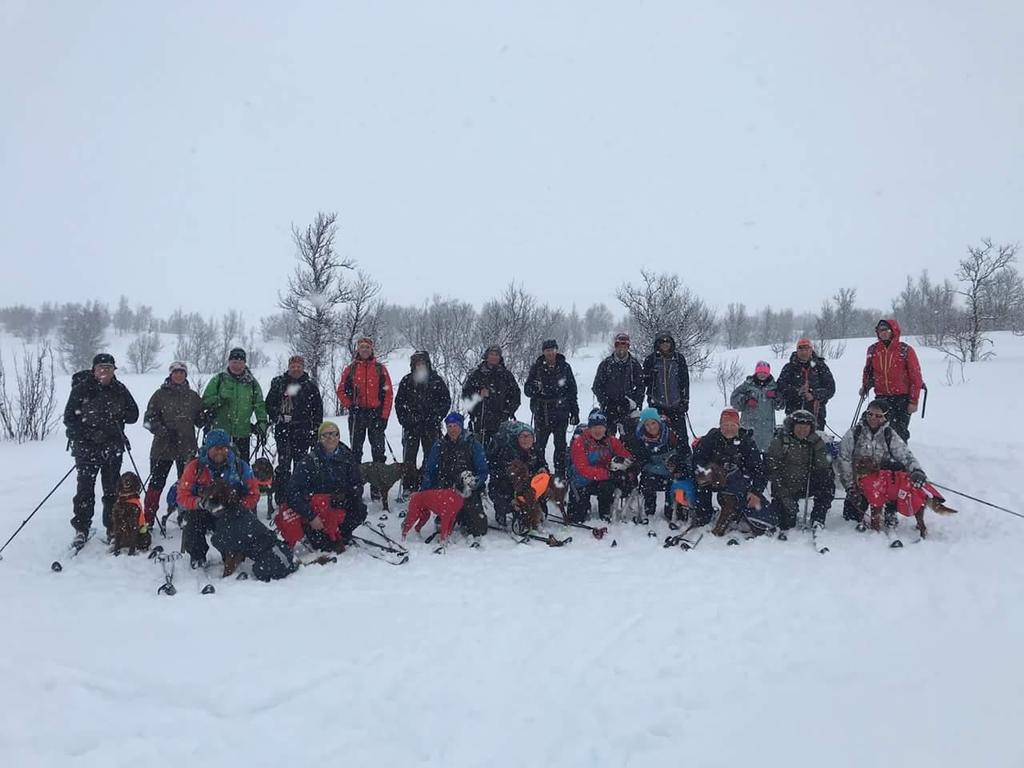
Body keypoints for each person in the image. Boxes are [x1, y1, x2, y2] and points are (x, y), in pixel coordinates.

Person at [63, 353, 139, 546]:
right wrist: (87, 434)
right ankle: (81, 529)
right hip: (86, 450)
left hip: (113, 449)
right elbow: (69, 419)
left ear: (114, 370)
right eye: (101, 368)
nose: (104, 372)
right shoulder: (81, 389)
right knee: (85, 491)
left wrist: (119, 414)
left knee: (112, 491)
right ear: (93, 370)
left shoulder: (120, 390)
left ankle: (111, 527)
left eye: (109, 368)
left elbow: (134, 415)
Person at [836, 399, 927, 530]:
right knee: (850, 518)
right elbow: (843, 459)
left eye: (878, 416)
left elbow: (905, 455)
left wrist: (916, 470)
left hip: (883, 483)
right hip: (859, 483)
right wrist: (850, 487)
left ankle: (890, 509)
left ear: (885, 417)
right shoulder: (854, 433)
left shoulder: (889, 434)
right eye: (870, 414)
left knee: (897, 468)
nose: (873, 418)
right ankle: (860, 506)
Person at [177, 429, 260, 567]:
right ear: (208, 448)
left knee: (235, 531)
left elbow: (254, 494)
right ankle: (198, 556)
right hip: (203, 512)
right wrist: (201, 503)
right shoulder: (195, 468)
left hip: (231, 513)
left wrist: (239, 507)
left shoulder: (240, 467)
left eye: (224, 448)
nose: (220, 452)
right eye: (216, 448)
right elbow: (182, 495)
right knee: (192, 521)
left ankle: (231, 555)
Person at [286, 421, 368, 552]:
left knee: (359, 509)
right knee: (324, 546)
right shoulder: (309, 461)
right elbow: (293, 493)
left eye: (335, 434)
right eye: (326, 435)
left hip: (338, 506)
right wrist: (310, 516)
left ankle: (341, 532)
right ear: (320, 438)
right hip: (317, 510)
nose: (331, 438)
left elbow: (357, 482)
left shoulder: (347, 456)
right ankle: (318, 533)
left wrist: (349, 495)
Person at [691, 408, 772, 535]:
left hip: (738, 480)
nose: (729, 429)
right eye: (725, 425)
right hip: (714, 477)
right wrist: (706, 472)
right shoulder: (711, 438)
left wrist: (756, 492)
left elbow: (759, 470)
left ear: (738, 426)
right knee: (701, 484)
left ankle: (735, 511)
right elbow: (697, 459)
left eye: (732, 425)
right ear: (720, 426)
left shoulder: (746, 442)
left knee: (757, 508)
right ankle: (704, 514)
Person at [142, 361, 203, 524]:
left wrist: (208, 414)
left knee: (186, 485)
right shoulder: (159, 395)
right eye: (176, 372)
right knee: (156, 483)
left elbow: (199, 421)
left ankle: (185, 515)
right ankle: (148, 518)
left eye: (182, 372)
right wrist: (161, 430)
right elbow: (148, 419)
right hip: (163, 447)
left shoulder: (193, 396)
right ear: (170, 374)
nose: (179, 375)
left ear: (186, 375)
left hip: (186, 447)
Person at [265, 355, 323, 503]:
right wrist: (277, 416)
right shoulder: (279, 383)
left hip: (303, 431)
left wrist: (315, 431)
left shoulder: (310, 385)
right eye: (293, 366)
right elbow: (269, 404)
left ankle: (299, 497)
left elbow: (318, 410)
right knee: (283, 465)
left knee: (301, 466)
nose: (296, 369)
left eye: (299, 366)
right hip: (283, 430)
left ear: (303, 367)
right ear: (289, 367)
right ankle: (282, 498)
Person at [421, 413, 489, 540]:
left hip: (468, 490)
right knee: (443, 527)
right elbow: (430, 470)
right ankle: (455, 515)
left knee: (479, 529)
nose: (452, 429)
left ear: (461, 426)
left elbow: (483, 470)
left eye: (455, 426)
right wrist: (425, 492)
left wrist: (475, 482)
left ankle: (465, 514)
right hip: (447, 491)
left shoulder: (473, 444)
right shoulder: (439, 445)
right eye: (449, 426)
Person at [766, 409, 834, 533]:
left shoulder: (815, 442)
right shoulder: (780, 442)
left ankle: (818, 518)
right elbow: (772, 470)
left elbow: (823, 466)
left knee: (827, 483)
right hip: (785, 486)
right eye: (799, 427)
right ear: (792, 426)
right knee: (786, 522)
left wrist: (818, 447)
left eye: (806, 427)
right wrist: (784, 495)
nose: (802, 430)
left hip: (806, 484)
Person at [859, 318, 924, 442]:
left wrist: (913, 401)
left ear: (893, 330)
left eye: (885, 330)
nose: (882, 332)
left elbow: (916, 377)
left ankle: (900, 457)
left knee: (899, 432)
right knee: (876, 428)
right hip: (882, 396)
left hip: (902, 398)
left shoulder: (905, 350)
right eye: (879, 330)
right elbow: (868, 371)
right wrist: (865, 386)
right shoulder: (873, 350)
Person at [337, 337, 394, 475]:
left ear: (371, 349)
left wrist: (384, 416)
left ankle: (378, 484)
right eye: (362, 347)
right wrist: (350, 405)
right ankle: (356, 485)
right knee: (355, 451)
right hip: (357, 414)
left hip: (376, 414)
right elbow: (340, 391)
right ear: (358, 349)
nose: (364, 349)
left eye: (367, 347)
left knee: (378, 451)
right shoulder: (351, 369)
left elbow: (388, 394)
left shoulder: (380, 369)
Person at [523, 339, 579, 478]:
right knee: (539, 446)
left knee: (560, 446)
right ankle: (541, 473)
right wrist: (534, 388)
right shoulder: (536, 367)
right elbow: (527, 390)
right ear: (543, 352)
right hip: (542, 412)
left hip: (561, 411)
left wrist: (575, 411)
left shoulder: (565, 367)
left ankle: (560, 476)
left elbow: (572, 390)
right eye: (547, 350)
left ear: (557, 350)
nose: (550, 353)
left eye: (552, 350)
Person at [201, 347, 268, 463]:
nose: (237, 366)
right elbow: (205, 402)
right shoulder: (219, 379)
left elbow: (259, 404)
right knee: (217, 466)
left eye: (240, 362)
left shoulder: (252, 383)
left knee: (241, 467)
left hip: (242, 433)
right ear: (229, 362)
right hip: (219, 433)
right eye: (234, 362)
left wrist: (262, 422)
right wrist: (220, 399)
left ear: (245, 364)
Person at [394, 350, 451, 483]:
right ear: (413, 365)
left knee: (431, 455)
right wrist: (405, 419)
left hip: (431, 424)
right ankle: (409, 484)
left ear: (427, 364)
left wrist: (436, 416)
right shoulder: (407, 380)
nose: (420, 365)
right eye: (417, 363)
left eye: (422, 363)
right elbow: (399, 403)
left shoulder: (436, 380)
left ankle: (428, 481)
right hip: (411, 425)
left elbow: (445, 401)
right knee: (409, 457)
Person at [627, 408, 693, 522]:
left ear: (659, 422)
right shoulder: (640, 440)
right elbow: (641, 462)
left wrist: (679, 465)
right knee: (647, 480)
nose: (651, 427)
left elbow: (686, 453)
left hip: (674, 473)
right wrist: (661, 468)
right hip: (654, 472)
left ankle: (674, 508)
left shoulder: (672, 434)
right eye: (647, 424)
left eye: (653, 423)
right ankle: (649, 510)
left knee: (677, 485)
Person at [567, 411, 634, 523]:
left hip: (602, 481)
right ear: (589, 428)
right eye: (594, 427)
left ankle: (605, 511)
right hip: (581, 481)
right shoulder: (580, 442)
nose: (598, 430)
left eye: (600, 427)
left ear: (605, 428)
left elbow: (626, 456)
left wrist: (628, 468)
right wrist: (607, 474)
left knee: (607, 487)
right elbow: (582, 469)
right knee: (577, 518)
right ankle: (581, 507)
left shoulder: (611, 441)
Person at [488, 422, 550, 528]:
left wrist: (543, 469)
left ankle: (531, 508)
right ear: (518, 438)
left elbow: (543, 464)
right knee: (509, 503)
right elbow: (499, 478)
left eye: (528, 436)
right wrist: (511, 500)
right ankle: (505, 511)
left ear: (533, 438)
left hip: (528, 487)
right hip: (507, 487)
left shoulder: (536, 451)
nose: (525, 439)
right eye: (522, 436)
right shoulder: (508, 453)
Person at [461, 345, 521, 447]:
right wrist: (478, 396)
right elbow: (466, 396)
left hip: (501, 420)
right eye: (491, 354)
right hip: (480, 420)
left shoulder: (506, 375)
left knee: (500, 449)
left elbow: (515, 395)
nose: (494, 357)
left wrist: (508, 411)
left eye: (496, 355)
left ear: (500, 357)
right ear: (486, 356)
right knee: (479, 450)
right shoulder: (476, 374)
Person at [592, 332, 646, 438]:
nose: (621, 348)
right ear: (615, 346)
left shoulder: (634, 365)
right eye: (618, 345)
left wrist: (634, 403)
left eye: (624, 345)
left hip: (628, 410)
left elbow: (640, 387)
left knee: (629, 440)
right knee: (607, 440)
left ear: (628, 347)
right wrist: (605, 402)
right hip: (609, 409)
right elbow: (597, 386)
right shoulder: (606, 364)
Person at [776, 338, 836, 431]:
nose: (804, 352)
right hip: (793, 413)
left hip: (816, 414)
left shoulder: (820, 366)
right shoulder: (789, 367)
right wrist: (797, 392)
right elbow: (780, 387)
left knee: (815, 443)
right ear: (797, 350)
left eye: (807, 349)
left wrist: (813, 394)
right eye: (801, 349)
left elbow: (831, 388)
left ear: (811, 350)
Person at [642, 331, 690, 438]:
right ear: (657, 344)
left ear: (671, 343)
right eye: (661, 341)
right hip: (657, 405)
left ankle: (684, 454)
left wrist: (685, 400)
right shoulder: (651, 359)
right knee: (660, 436)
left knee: (680, 436)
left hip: (677, 404)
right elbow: (644, 382)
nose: (665, 343)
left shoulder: (679, 358)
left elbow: (685, 381)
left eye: (667, 341)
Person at [729, 360, 784, 452]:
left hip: (767, 430)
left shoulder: (774, 386)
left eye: (765, 372)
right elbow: (733, 400)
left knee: (766, 457)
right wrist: (745, 399)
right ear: (756, 372)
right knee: (747, 453)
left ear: (768, 373)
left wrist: (776, 397)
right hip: (748, 428)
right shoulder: (747, 385)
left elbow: (780, 406)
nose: (762, 374)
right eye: (760, 372)